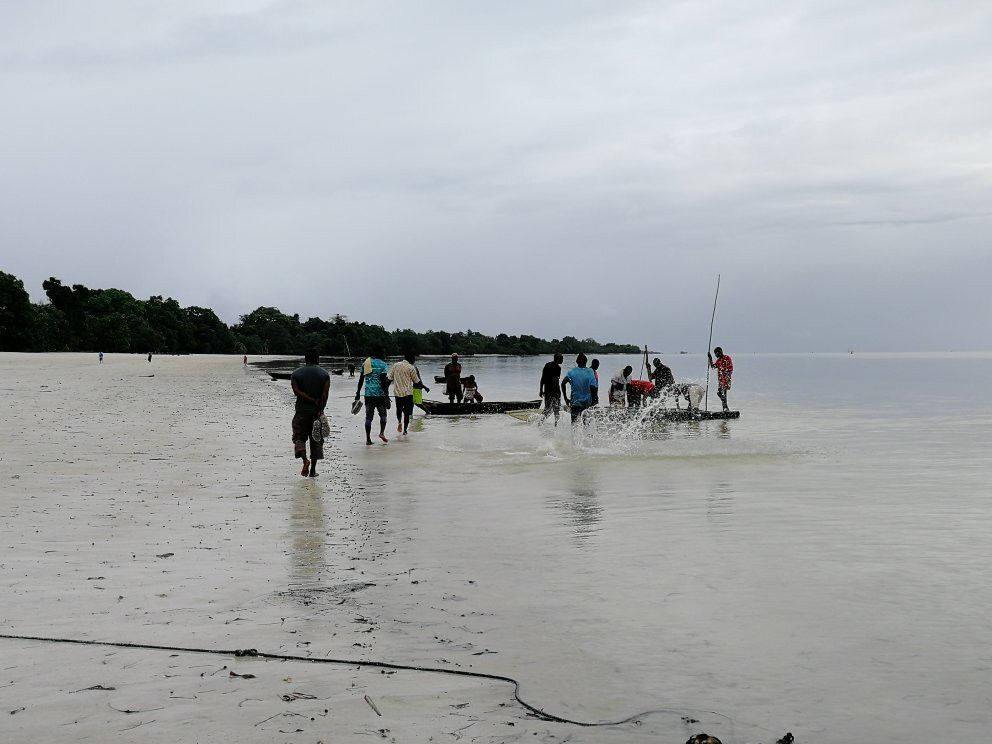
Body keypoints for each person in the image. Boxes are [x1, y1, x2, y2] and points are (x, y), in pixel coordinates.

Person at [290, 349, 331, 477]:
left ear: (305, 359)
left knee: (299, 438)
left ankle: (304, 460)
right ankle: (313, 471)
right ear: (318, 359)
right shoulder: (324, 375)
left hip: (301, 412)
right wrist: (320, 409)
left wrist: (310, 400)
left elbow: (297, 392)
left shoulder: (296, 374)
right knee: (316, 441)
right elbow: (325, 395)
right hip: (316, 413)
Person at [356, 348, 391, 445]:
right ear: (380, 354)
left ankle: (368, 439)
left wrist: (357, 393)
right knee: (383, 415)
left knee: (368, 417)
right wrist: (387, 396)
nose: (385, 355)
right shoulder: (383, 365)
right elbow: (384, 382)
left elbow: (361, 380)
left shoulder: (366, 363)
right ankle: (382, 433)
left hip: (368, 394)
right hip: (380, 395)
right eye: (384, 354)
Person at [389, 351, 427, 435]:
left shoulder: (395, 365)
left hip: (397, 393)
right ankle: (405, 430)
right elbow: (417, 381)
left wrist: (385, 393)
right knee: (407, 412)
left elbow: (389, 379)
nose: (414, 360)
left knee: (398, 409)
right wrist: (424, 387)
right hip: (408, 393)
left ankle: (399, 422)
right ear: (410, 358)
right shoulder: (411, 368)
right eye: (413, 358)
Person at [561, 353, 598, 424]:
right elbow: (593, 387)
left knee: (574, 424)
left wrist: (565, 398)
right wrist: (594, 401)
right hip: (587, 403)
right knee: (586, 424)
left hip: (575, 402)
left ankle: (573, 435)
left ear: (577, 362)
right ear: (586, 362)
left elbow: (563, 383)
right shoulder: (590, 371)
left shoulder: (571, 372)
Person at [539, 352, 564, 425]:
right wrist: (558, 394)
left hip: (547, 391)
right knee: (556, 410)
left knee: (547, 408)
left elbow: (543, 378)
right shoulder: (558, 368)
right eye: (561, 358)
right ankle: (556, 424)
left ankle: (540, 423)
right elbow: (555, 381)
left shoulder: (547, 365)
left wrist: (541, 390)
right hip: (555, 392)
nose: (562, 360)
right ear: (557, 359)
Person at [708, 346, 734, 412]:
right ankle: (725, 408)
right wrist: (710, 358)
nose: (716, 355)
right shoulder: (718, 360)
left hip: (726, 379)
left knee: (724, 394)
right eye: (715, 354)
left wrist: (727, 377)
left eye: (716, 354)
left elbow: (730, 368)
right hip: (720, 380)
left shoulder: (727, 358)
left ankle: (725, 408)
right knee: (719, 393)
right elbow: (713, 366)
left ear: (720, 352)